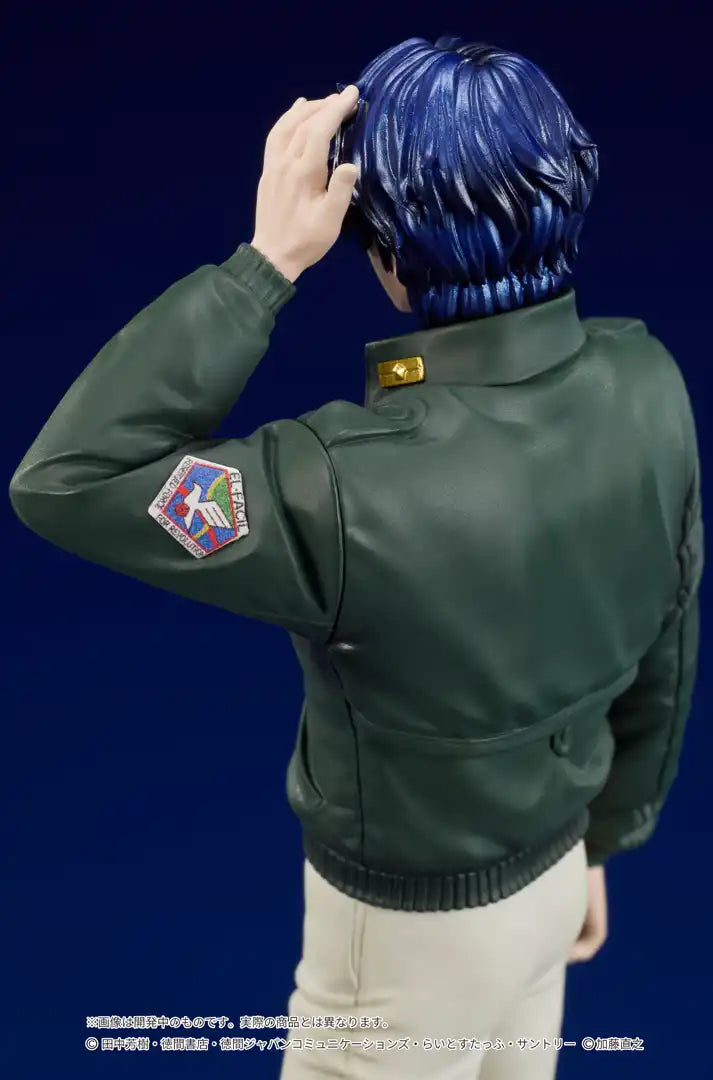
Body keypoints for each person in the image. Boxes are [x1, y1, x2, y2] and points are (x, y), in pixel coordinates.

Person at [8, 35, 704, 1080]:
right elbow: (666, 648)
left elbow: (67, 479)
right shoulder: (649, 384)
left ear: (385, 251)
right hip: (556, 871)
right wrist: (601, 838)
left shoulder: (335, 483)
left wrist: (264, 265)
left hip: (398, 945)